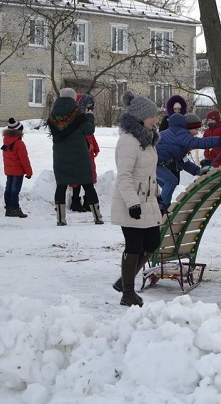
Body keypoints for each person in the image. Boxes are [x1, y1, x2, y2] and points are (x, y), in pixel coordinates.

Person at [110, 91, 163, 307]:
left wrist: (157, 196)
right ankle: (128, 293)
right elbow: (124, 175)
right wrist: (132, 202)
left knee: (152, 242)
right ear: (141, 117)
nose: (155, 119)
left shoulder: (147, 139)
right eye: (152, 116)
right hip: (130, 201)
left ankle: (125, 281)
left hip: (147, 200)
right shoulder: (129, 141)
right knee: (133, 246)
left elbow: (149, 173)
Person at [156, 112, 221, 214]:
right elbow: (200, 143)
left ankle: (160, 206)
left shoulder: (179, 137)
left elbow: (183, 161)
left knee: (167, 184)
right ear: (189, 127)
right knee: (171, 181)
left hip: (154, 162)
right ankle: (161, 210)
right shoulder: (181, 135)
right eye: (196, 129)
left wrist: (197, 171)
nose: (196, 133)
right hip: (149, 162)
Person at [47, 87, 103, 226]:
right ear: (73, 99)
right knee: (88, 186)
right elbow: (89, 130)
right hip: (80, 158)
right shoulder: (78, 115)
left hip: (60, 158)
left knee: (61, 186)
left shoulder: (53, 116)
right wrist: (89, 116)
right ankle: (97, 217)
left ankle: (61, 219)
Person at [70, 94, 100, 213]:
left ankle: (87, 202)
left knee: (88, 179)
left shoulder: (86, 118)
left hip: (88, 154)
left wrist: (95, 148)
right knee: (77, 180)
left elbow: (91, 135)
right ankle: (75, 201)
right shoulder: (77, 120)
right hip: (79, 153)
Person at [1, 117, 33, 218]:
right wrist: (29, 172)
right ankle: (15, 209)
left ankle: (8, 209)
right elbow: (24, 159)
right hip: (18, 171)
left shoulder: (6, 141)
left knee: (8, 189)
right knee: (15, 190)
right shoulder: (19, 143)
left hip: (9, 170)